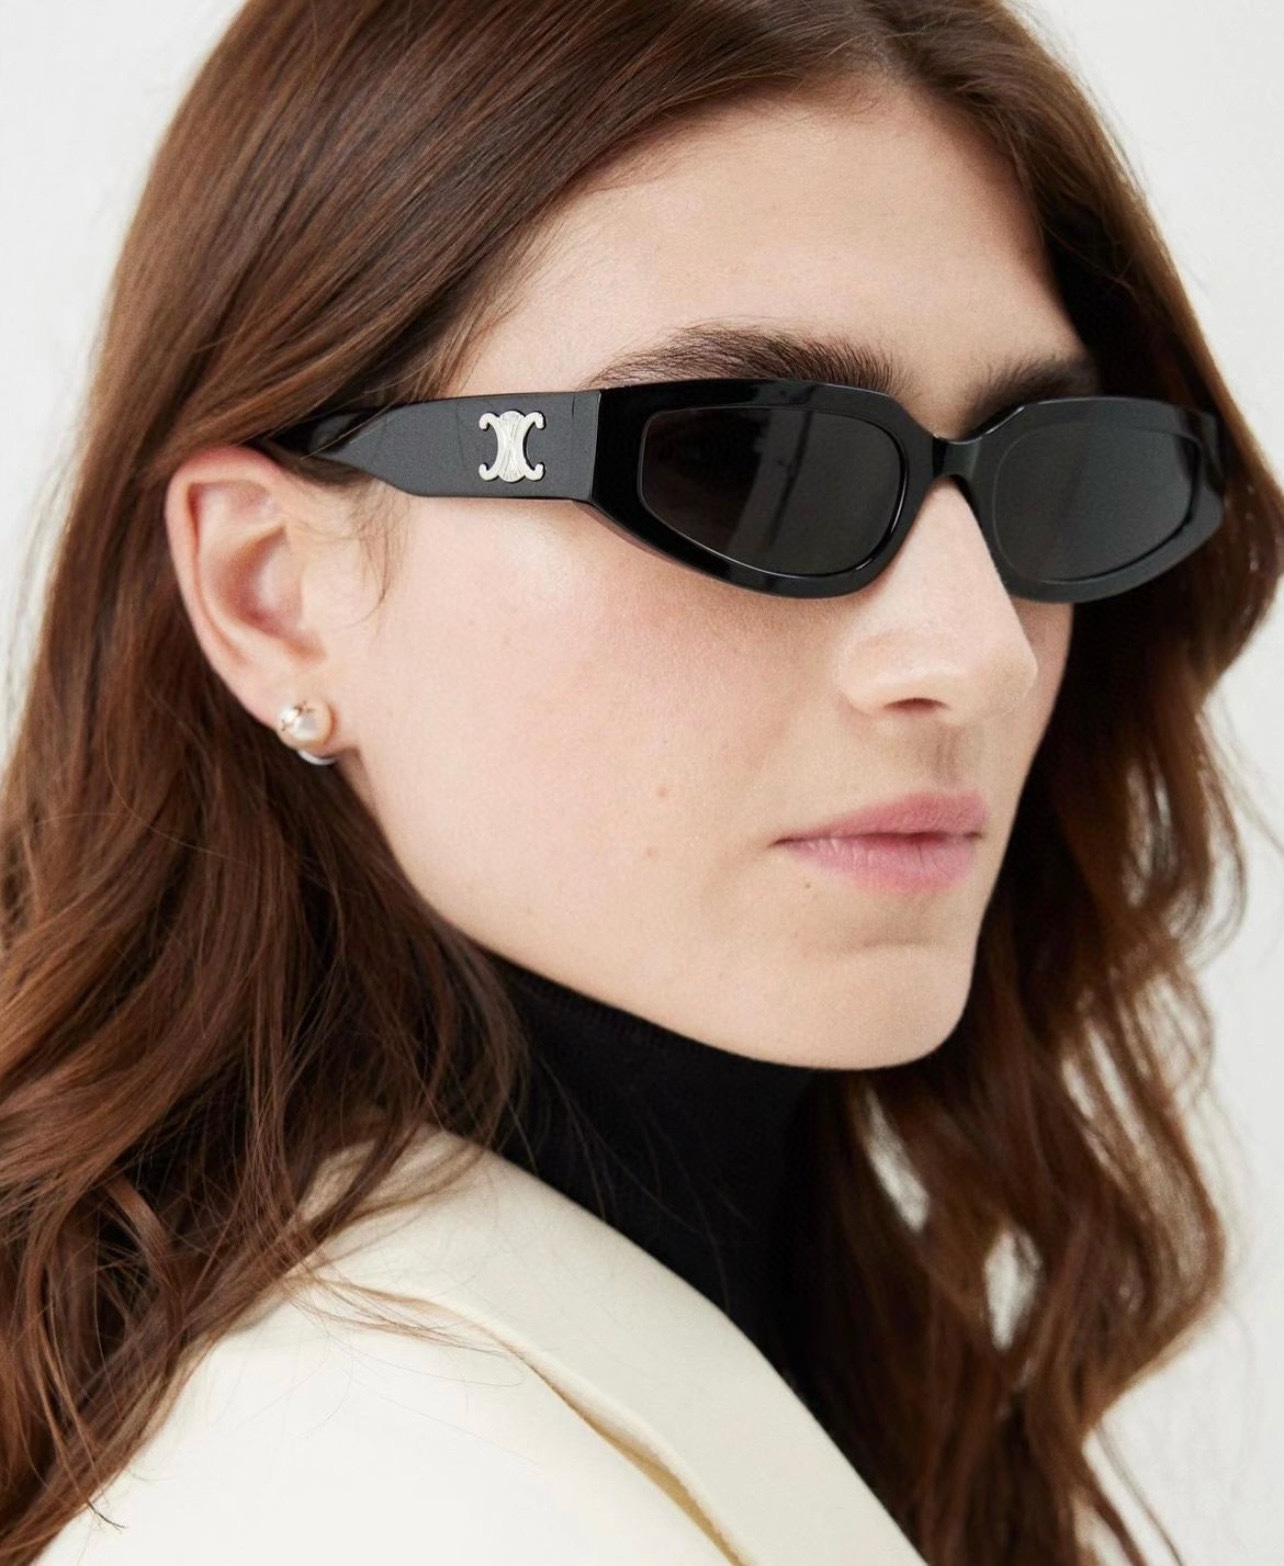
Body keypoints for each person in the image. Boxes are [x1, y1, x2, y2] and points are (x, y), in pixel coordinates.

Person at [1, 0, 1280, 1562]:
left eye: (1047, 472)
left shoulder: (822, 1365)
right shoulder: (373, 1500)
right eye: (743, 465)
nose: (979, 650)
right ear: (272, 589)